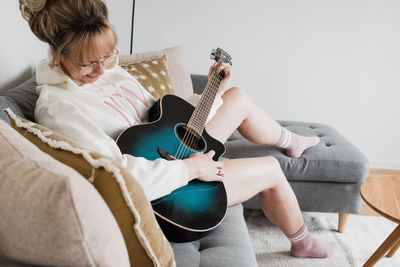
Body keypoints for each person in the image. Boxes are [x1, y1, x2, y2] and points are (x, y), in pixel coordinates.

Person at [20, 0, 336, 258]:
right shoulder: (59, 107)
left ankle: (290, 139)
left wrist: (212, 91)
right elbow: (114, 175)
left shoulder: (109, 73)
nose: (101, 70)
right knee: (270, 168)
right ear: (57, 52)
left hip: (173, 151)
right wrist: (189, 168)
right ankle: (302, 242)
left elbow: (163, 119)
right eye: (88, 63)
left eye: (107, 56)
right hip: (166, 190)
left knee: (235, 96)